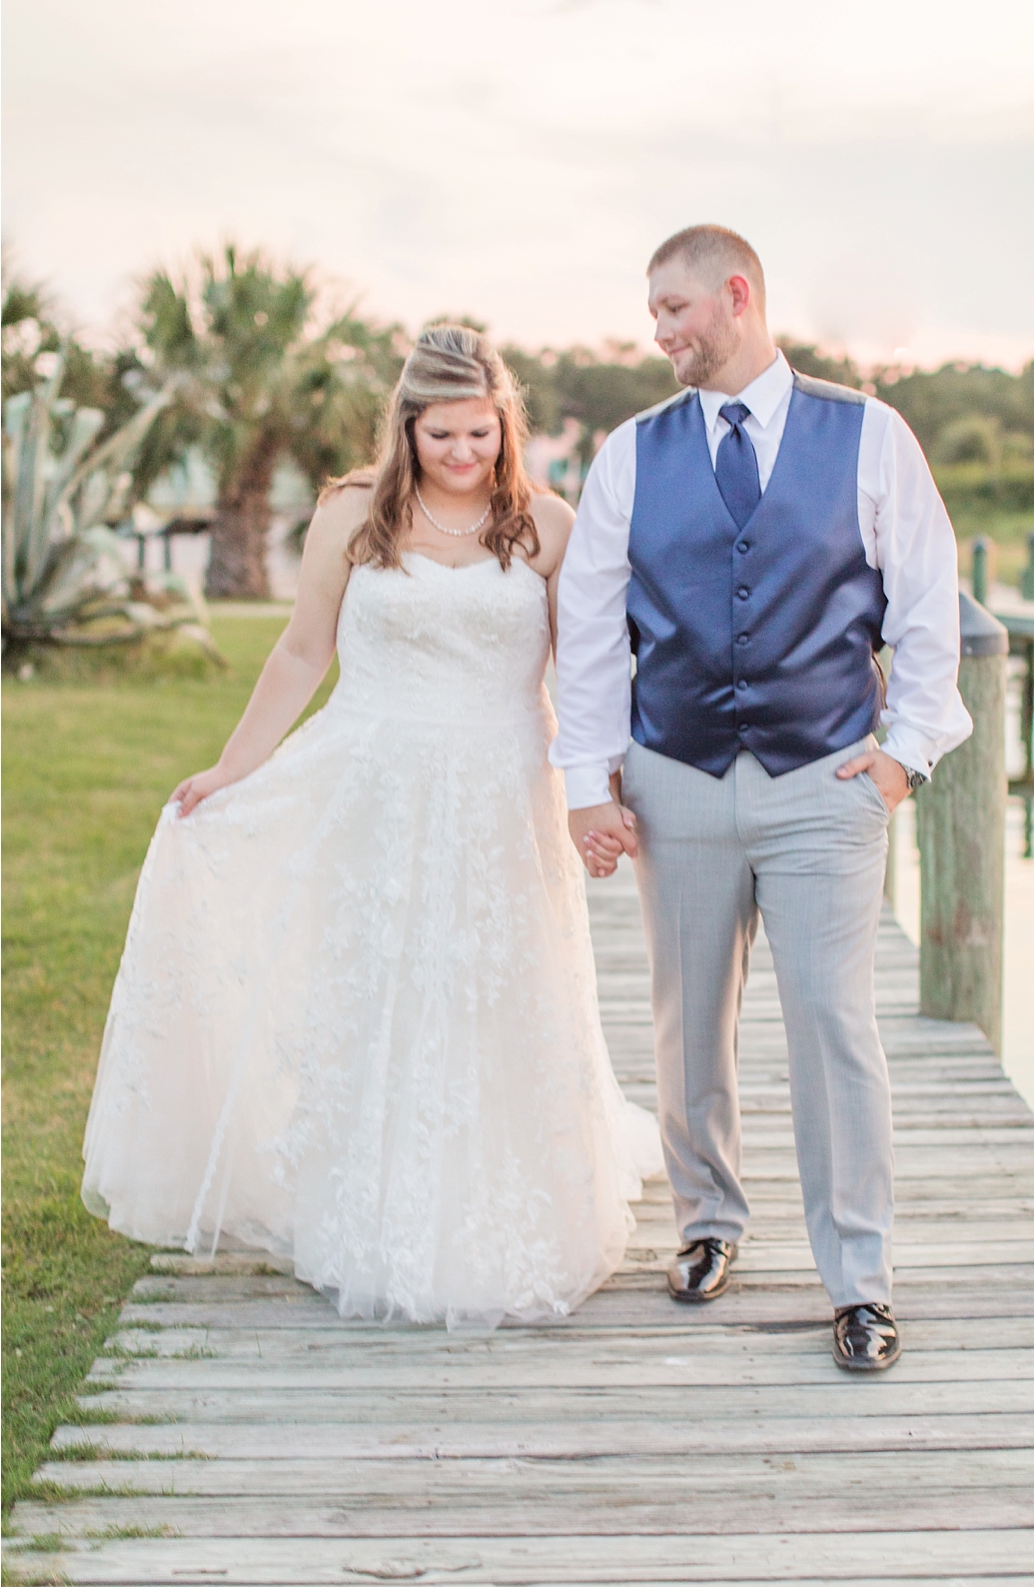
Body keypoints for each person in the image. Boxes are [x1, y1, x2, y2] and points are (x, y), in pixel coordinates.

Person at [82, 325, 661, 1329]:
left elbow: (587, 674)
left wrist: (600, 789)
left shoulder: (546, 526)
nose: (464, 455)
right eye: (442, 436)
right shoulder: (353, 515)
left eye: (481, 434)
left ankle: (511, 1206)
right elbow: (301, 655)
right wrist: (232, 768)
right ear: (407, 426)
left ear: (504, 426)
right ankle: (372, 1209)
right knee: (382, 986)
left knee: (493, 989)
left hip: (501, 790)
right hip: (379, 787)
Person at [551, 226, 972, 1372]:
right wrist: (590, 779)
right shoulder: (632, 454)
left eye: (676, 308)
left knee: (837, 1027)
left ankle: (861, 1279)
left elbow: (929, 605)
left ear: (738, 296)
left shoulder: (870, 435)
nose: (662, 332)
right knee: (690, 1020)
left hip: (825, 780)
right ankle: (707, 1223)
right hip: (676, 775)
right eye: (653, 314)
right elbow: (588, 630)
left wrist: (904, 755)